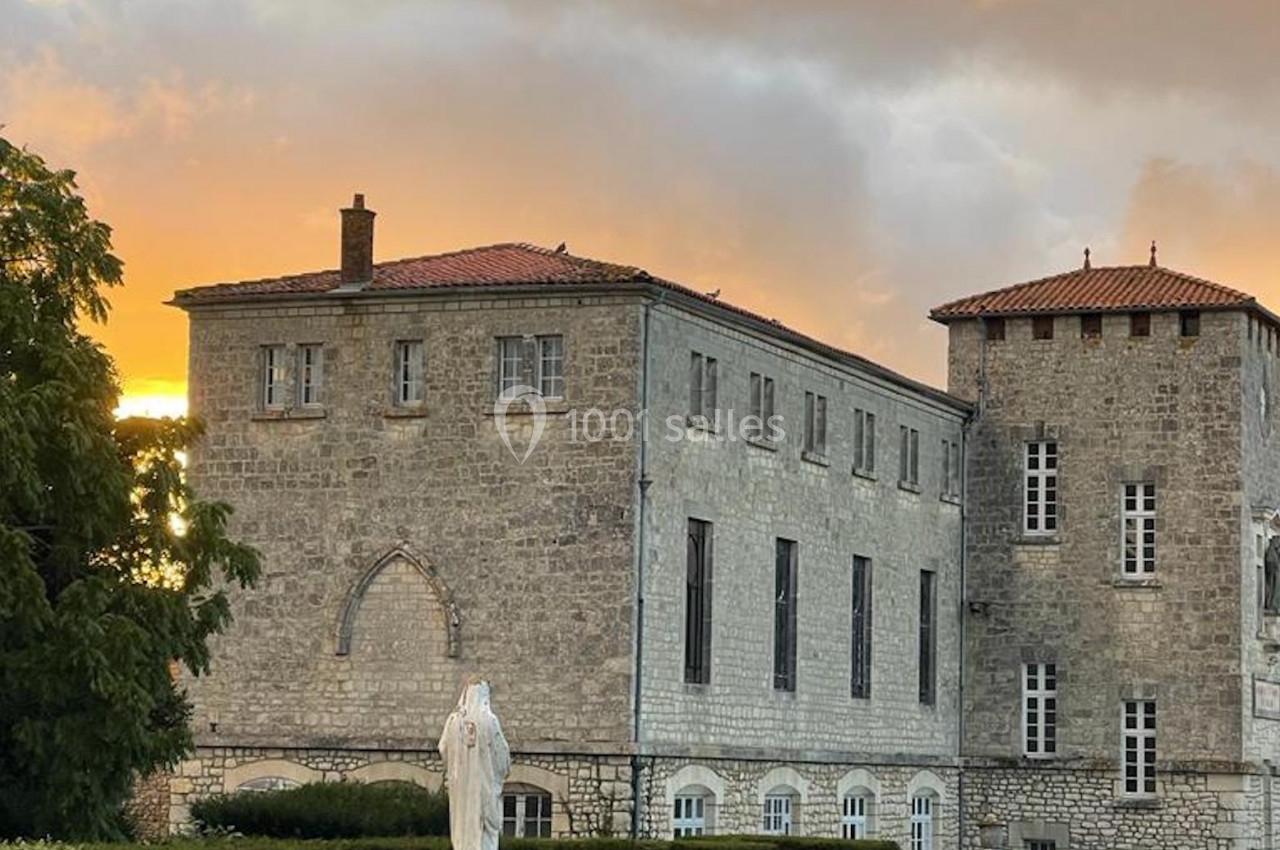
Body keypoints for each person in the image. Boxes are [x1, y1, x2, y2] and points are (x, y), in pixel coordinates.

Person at [439, 677, 511, 850]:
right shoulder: (489, 721)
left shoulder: (453, 722)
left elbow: (443, 749)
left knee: (462, 832)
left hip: (461, 789)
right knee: (483, 835)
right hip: (483, 788)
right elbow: (502, 757)